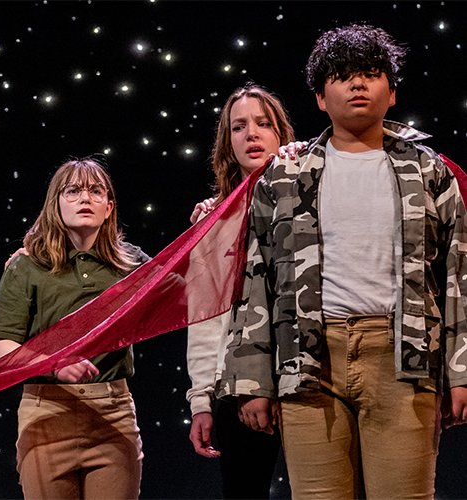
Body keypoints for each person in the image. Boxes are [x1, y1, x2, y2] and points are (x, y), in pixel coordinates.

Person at [218, 24, 467, 499]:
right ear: (318, 97)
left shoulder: (429, 170)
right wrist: (254, 380)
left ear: (391, 93)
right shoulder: (286, 176)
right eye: (342, 75)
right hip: (308, 361)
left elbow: (459, 276)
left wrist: (461, 371)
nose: (357, 84)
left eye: (371, 74)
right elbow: (255, 281)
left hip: (402, 360)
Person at [0, 159, 147, 499]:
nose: (85, 198)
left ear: (109, 207)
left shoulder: (132, 263)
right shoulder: (26, 265)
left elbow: (190, 292)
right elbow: (2, 348)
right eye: (73, 191)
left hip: (113, 414)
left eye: (95, 191)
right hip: (46, 414)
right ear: (55, 204)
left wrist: (208, 225)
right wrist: (53, 364)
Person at [183, 84, 294, 498]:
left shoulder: (317, 196)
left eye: (264, 124)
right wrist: (201, 401)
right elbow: (205, 316)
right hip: (237, 384)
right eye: (239, 127)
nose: (252, 134)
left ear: (282, 134)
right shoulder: (212, 221)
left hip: (312, 375)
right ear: (226, 143)